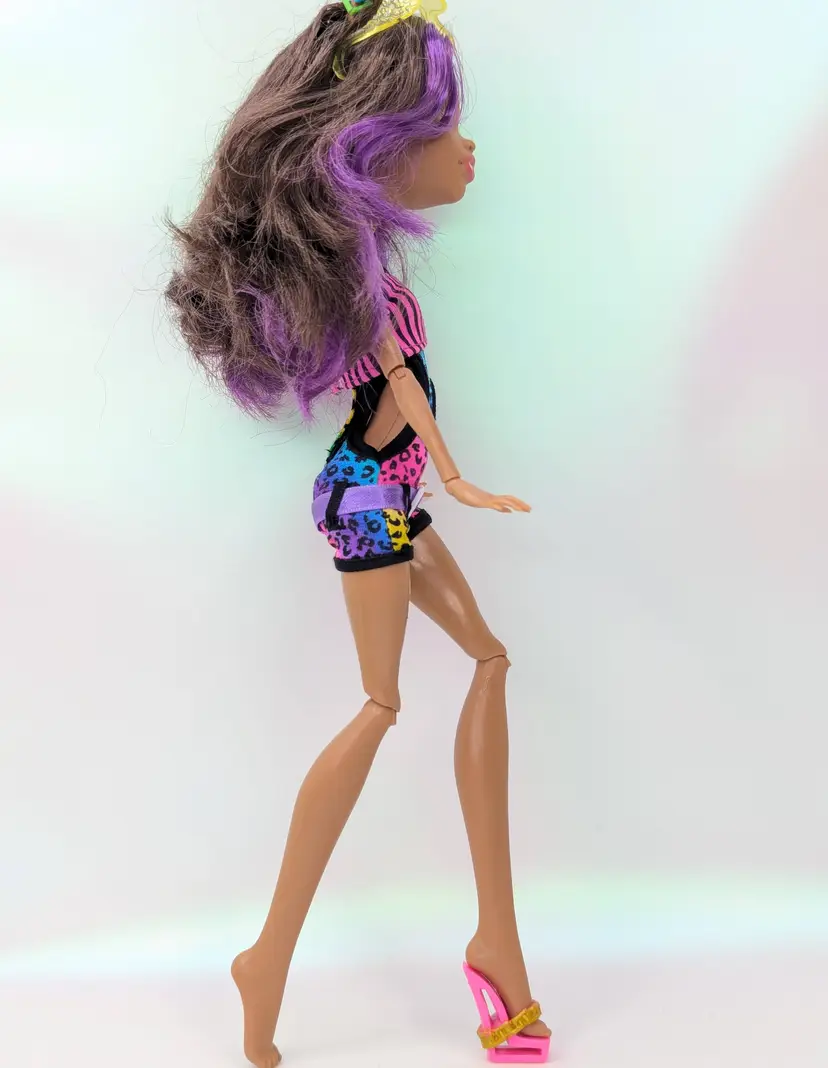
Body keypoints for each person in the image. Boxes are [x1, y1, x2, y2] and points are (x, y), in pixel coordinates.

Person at [165, 2, 550, 1064]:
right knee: (382, 704)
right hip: (366, 499)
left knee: (489, 658)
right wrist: (458, 478)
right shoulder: (363, 295)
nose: (467, 150)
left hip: (392, 497)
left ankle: (497, 943)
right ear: (377, 151)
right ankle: (268, 956)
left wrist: (443, 485)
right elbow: (403, 408)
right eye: (443, 130)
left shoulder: (378, 283)